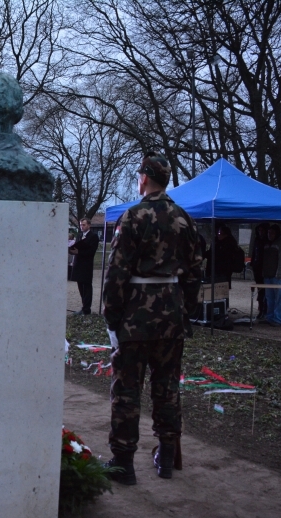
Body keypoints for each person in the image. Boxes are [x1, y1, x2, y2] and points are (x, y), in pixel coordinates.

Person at [102, 152, 202, 485]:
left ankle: (123, 463)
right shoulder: (184, 218)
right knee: (167, 387)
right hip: (172, 315)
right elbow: (195, 273)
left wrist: (112, 317)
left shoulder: (133, 216)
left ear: (143, 178)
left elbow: (116, 273)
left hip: (136, 316)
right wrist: (185, 310)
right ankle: (167, 455)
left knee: (127, 389)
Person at [69, 218, 100, 315]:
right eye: (81, 225)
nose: (82, 227)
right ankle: (84, 307)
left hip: (86, 265)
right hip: (78, 264)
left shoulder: (93, 236)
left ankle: (87, 309)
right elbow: (76, 248)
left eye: (84, 225)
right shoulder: (79, 235)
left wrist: (79, 252)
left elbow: (91, 252)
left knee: (86, 287)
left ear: (89, 225)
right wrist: (72, 251)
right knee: (80, 286)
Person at [262, 224, 281, 327]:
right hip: (268, 276)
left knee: (279, 298)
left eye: (272, 233)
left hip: (279, 277)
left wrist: (279, 275)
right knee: (269, 298)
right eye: (269, 233)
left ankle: (278, 319)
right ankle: (270, 317)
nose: (270, 235)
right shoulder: (267, 243)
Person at [204, 224, 239, 289]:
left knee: (222, 286)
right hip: (216, 268)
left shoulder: (228, 244)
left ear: (225, 234)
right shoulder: (217, 241)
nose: (218, 235)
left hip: (223, 269)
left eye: (220, 233)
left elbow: (220, 255)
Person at [250, 222, 270, 319]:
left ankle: (265, 309)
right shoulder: (257, 240)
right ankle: (261, 309)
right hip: (257, 267)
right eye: (259, 230)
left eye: (262, 230)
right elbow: (254, 252)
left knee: (265, 290)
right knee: (260, 290)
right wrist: (253, 263)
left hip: (264, 268)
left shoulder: (267, 241)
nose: (260, 232)